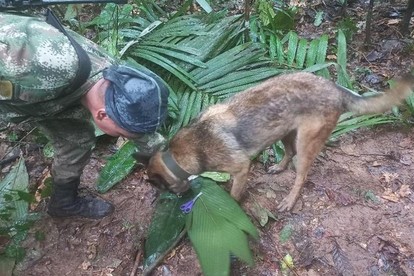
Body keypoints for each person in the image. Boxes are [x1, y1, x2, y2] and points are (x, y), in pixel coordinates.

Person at [0, 11, 169, 219]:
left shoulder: (117, 82)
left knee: (77, 141)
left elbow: (140, 130)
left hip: (50, 101)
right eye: (121, 134)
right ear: (102, 115)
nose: (124, 137)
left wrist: (172, 167)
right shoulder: (43, 65)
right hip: (24, 88)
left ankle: (63, 203)